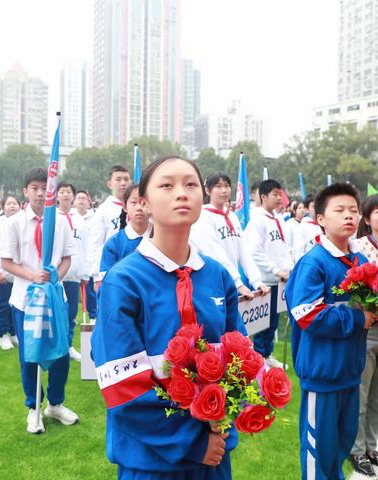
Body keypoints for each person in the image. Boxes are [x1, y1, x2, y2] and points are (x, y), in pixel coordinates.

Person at [92, 156, 246, 480]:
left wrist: (224, 419)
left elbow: (241, 359)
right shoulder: (124, 281)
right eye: (167, 185)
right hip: (150, 459)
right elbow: (122, 386)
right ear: (144, 203)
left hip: (214, 454)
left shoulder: (218, 276)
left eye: (190, 184)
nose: (181, 193)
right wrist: (192, 442)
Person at [285, 183, 378, 480]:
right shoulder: (314, 262)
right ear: (321, 218)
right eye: (339, 210)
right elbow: (306, 313)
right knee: (318, 453)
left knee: (341, 445)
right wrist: (357, 319)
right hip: (323, 374)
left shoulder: (360, 260)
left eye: (353, 210)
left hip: (351, 370)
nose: (348, 216)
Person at [0, 168, 79, 434]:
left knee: (60, 352)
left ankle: (55, 404)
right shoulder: (14, 223)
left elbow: (67, 257)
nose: (39, 192)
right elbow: (6, 262)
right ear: (25, 191)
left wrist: (56, 277)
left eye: (44, 187)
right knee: (30, 355)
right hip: (26, 300)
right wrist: (33, 276)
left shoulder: (60, 222)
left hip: (56, 299)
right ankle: (34, 408)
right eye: (34, 187)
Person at [190, 173, 269, 299]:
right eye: (218, 186)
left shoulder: (232, 216)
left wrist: (256, 281)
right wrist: (237, 283)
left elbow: (243, 250)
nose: (224, 190)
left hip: (230, 284)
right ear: (207, 190)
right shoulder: (202, 216)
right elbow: (214, 253)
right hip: (211, 285)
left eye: (227, 186)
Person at [243, 179, 293, 369]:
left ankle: (266, 354)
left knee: (273, 322)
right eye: (274, 194)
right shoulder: (258, 221)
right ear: (263, 197)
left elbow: (283, 248)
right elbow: (254, 251)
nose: (279, 197)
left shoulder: (278, 219)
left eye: (280, 193)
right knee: (262, 323)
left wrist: (288, 268)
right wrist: (275, 270)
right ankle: (259, 358)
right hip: (265, 280)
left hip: (280, 280)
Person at [347, 194, 378, 476]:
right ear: (367, 219)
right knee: (362, 392)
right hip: (367, 330)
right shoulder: (358, 248)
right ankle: (357, 450)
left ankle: (372, 444)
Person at [57, 182, 90, 362]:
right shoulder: (52, 217)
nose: (65, 195)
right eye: (62, 192)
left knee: (71, 313)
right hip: (57, 276)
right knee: (56, 312)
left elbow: (85, 247)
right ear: (57, 196)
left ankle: (68, 346)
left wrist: (84, 273)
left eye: (68, 192)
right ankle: (57, 347)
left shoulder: (80, 221)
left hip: (74, 274)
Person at [87, 165, 132, 288]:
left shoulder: (139, 207)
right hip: (110, 269)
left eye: (126, 179)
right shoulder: (103, 211)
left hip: (135, 268)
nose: (123, 183)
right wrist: (97, 276)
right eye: (118, 179)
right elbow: (96, 244)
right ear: (109, 184)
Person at [0, 195, 20, 351]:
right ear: (3, 207)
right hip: (3, 274)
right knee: (2, 304)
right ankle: (3, 334)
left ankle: (14, 332)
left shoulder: (23, 223)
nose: (12, 206)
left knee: (17, 304)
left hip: (20, 275)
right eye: (9, 204)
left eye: (15, 203)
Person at [99, 184, 151, 278]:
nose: (139, 207)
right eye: (134, 202)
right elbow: (106, 282)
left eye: (143, 202)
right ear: (125, 207)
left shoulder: (163, 238)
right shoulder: (114, 243)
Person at [73, 190, 97, 321]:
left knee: (90, 291)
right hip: (75, 259)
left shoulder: (95, 217)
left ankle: (93, 316)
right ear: (74, 202)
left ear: (89, 202)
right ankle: (74, 316)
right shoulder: (71, 217)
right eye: (79, 198)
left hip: (90, 258)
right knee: (72, 290)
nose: (81, 201)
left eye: (84, 198)